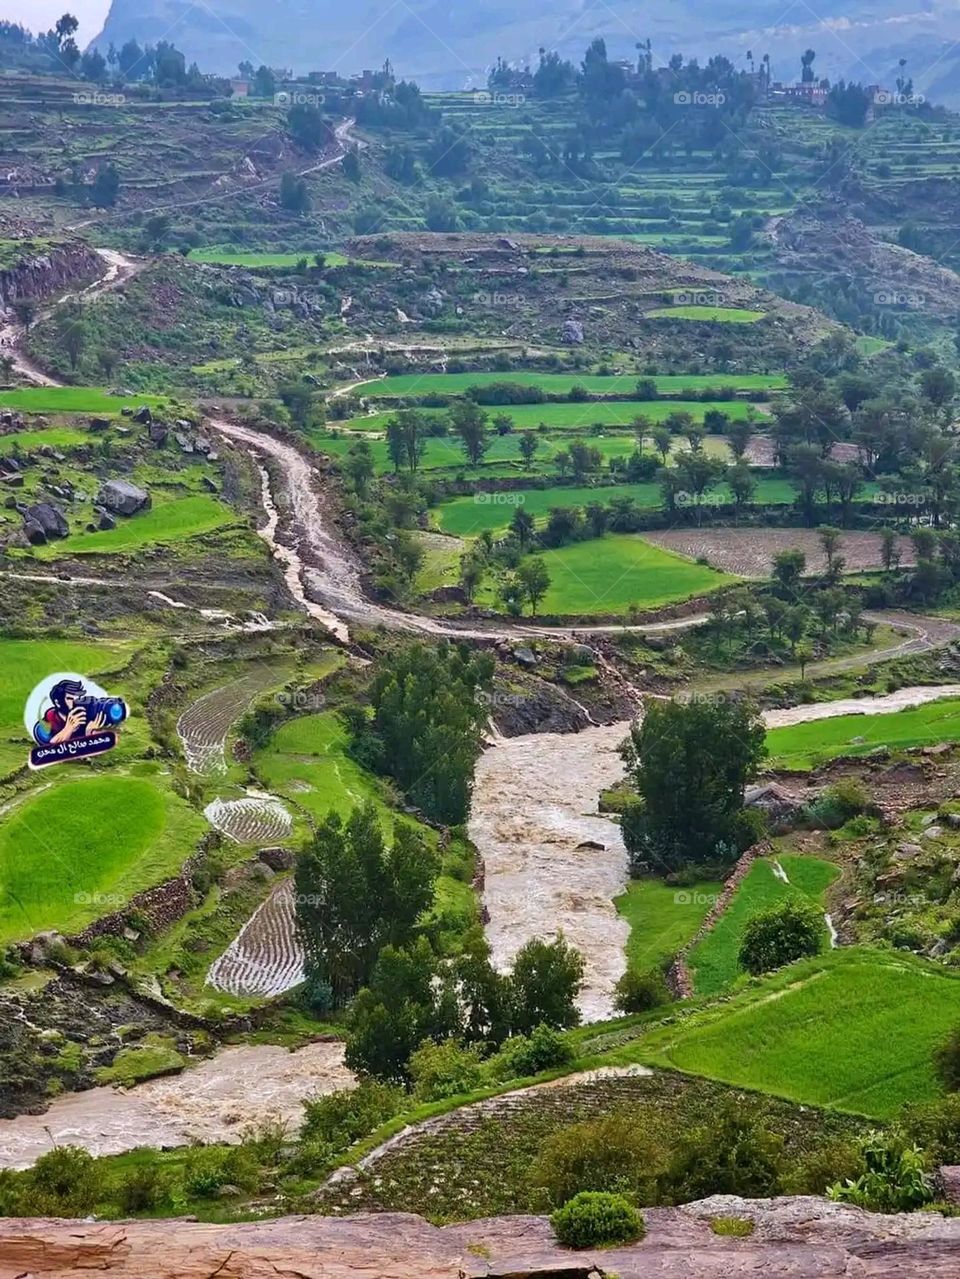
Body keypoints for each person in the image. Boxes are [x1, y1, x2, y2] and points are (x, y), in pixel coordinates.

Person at [33, 678, 107, 746]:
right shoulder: (44, 726)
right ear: (58, 703)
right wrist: (69, 728)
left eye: (78, 699)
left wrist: (90, 734)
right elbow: (51, 748)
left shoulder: (84, 717)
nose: (76, 702)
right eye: (70, 699)